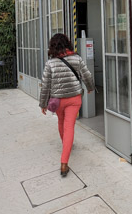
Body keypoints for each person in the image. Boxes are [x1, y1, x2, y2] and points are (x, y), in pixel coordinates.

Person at [39, 33, 94, 177]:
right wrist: (90, 87)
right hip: (74, 98)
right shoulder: (77, 58)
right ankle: (64, 162)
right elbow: (87, 75)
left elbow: (45, 85)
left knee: (61, 122)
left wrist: (43, 103)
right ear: (68, 44)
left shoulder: (50, 63)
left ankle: (66, 147)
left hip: (58, 100)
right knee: (69, 126)